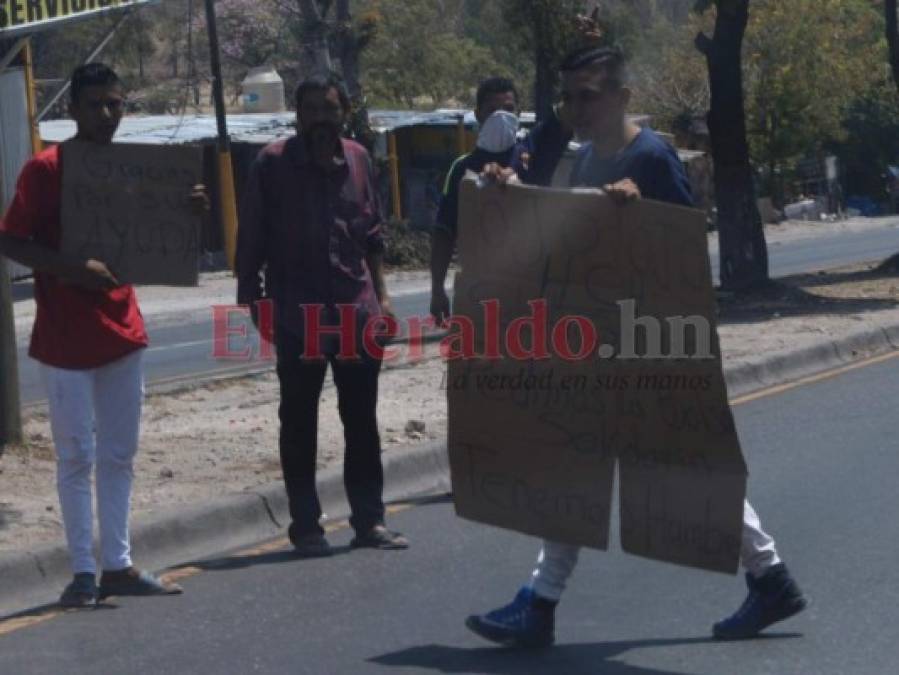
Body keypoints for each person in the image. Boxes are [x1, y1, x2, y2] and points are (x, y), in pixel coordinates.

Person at [465, 46, 808, 647]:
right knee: (588, 467)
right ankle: (541, 603)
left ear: (622, 97)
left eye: (588, 95)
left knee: (670, 468)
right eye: (568, 96)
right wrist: (508, 188)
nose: (575, 107)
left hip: (648, 344)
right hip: (597, 344)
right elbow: (557, 225)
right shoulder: (581, 158)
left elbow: (682, 242)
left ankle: (542, 604)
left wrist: (640, 209)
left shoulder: (649, 156)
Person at [0, 64, 201, 607]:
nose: (108, 114)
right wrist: (71, 269)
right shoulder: (45, 169)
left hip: (123, 332)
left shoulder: (135, 166)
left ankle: (118, 564)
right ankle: (82, 572)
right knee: (75, 456)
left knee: (119, 455)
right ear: (73, 110)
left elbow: (154, 231)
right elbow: (11, 240)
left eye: (116, 104)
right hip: (66, 338)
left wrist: (187, 209)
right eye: (96, 105)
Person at [236, 73, 408, 558]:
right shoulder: (272, 163)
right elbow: (252, 234)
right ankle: (306, 526)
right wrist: (253, 297)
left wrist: (384, 297)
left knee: (361, 420)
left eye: (328, 109)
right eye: (310, 109)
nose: (319, 119)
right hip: (297, 314)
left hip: (355, 311)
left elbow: (372, 234)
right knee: (298, 422)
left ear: (344, 111)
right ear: (297, 115)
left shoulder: (357, 159)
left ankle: (370, 522)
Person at [429, 77, 572, 325]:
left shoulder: (533, 154)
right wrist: (437, 289)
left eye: (507, 109)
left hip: (535, 292)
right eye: (493, 110)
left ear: (517, 112)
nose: (501, 117)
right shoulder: (462, 168)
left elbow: (568, 111)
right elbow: (444, 231)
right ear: (478, 114)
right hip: (481, 294)